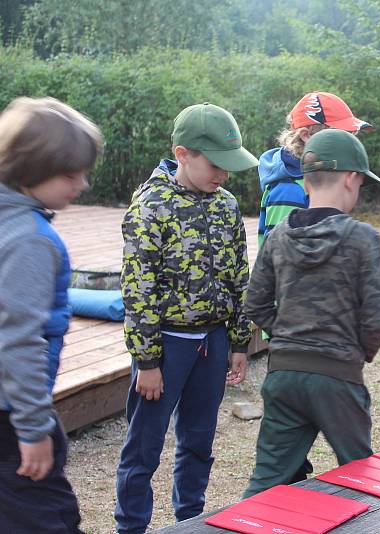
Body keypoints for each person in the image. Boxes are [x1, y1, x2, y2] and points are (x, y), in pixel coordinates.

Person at [115, 103, 258, 534]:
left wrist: (237, 343)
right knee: (144, 448)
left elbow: (239, 275)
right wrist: (148, 362)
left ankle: (190, 521)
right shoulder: (150, 207)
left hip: (212, 343)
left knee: (198, 442)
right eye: (216, 165)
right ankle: (131, 528)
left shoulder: (226, 204)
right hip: (167, 348)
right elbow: (137, 290)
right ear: (182, 153)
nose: (224, 176)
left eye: (229, 167)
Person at [242, 129, 380, 496]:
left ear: (306, 182)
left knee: (266, 482)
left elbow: (255, 303)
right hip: (338, 377)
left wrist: (288, 338)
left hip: (284, 375)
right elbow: (377, 314)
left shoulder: (278, 236)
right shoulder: (362, 239)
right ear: (352, 179)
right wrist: (358, 354)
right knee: (359, 478)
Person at [0, 96, 101, 534]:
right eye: (70, 173)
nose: (82, 184)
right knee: (49, 519)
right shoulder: (30, 240)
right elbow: (18, 339)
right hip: (12, 414)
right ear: (31, 170)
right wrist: (33, 428)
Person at [258, 91, 371, 246]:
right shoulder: (288, 189)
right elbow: (279, 254)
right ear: (306, 135)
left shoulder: (322, 176)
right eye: (341, 135)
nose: (349, 144)